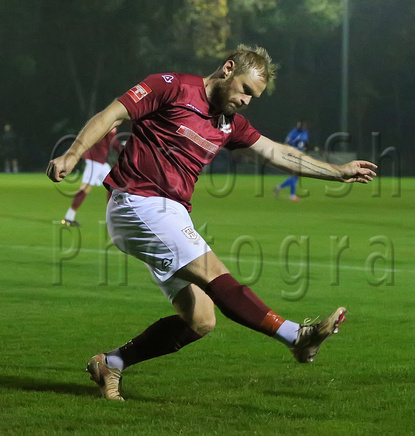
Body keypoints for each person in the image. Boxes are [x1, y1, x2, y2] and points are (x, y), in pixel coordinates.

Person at [46, 44, 377, 401]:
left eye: (255, 97)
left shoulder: (229, 123)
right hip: (137, 202)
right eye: (245, 90)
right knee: (212, 271)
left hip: (170, 213)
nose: (248, 100)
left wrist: (336, 172)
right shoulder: (170, 86)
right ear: (228, 69)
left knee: (201, 319)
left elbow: (276, 152)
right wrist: (72, 154)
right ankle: (296, 337)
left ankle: (111, 362)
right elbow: (111, 115)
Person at [61, 127, 122, 226]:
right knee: (85, 189)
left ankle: (113, 217)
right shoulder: (111, 120)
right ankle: (69, 217)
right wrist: (121, 150)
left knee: (114, 186)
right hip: (95, 160)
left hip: (101, 161)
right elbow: (111, 141)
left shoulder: (110, 120)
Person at [273, 120, 309, 201]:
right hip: (293, 155)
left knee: (295, 175)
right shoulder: (296, 133)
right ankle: (291, 195)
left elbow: (302, 143)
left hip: (298, 155)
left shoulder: (297, 132)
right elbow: (289, 143)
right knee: (295, 175)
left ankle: (280, 188)